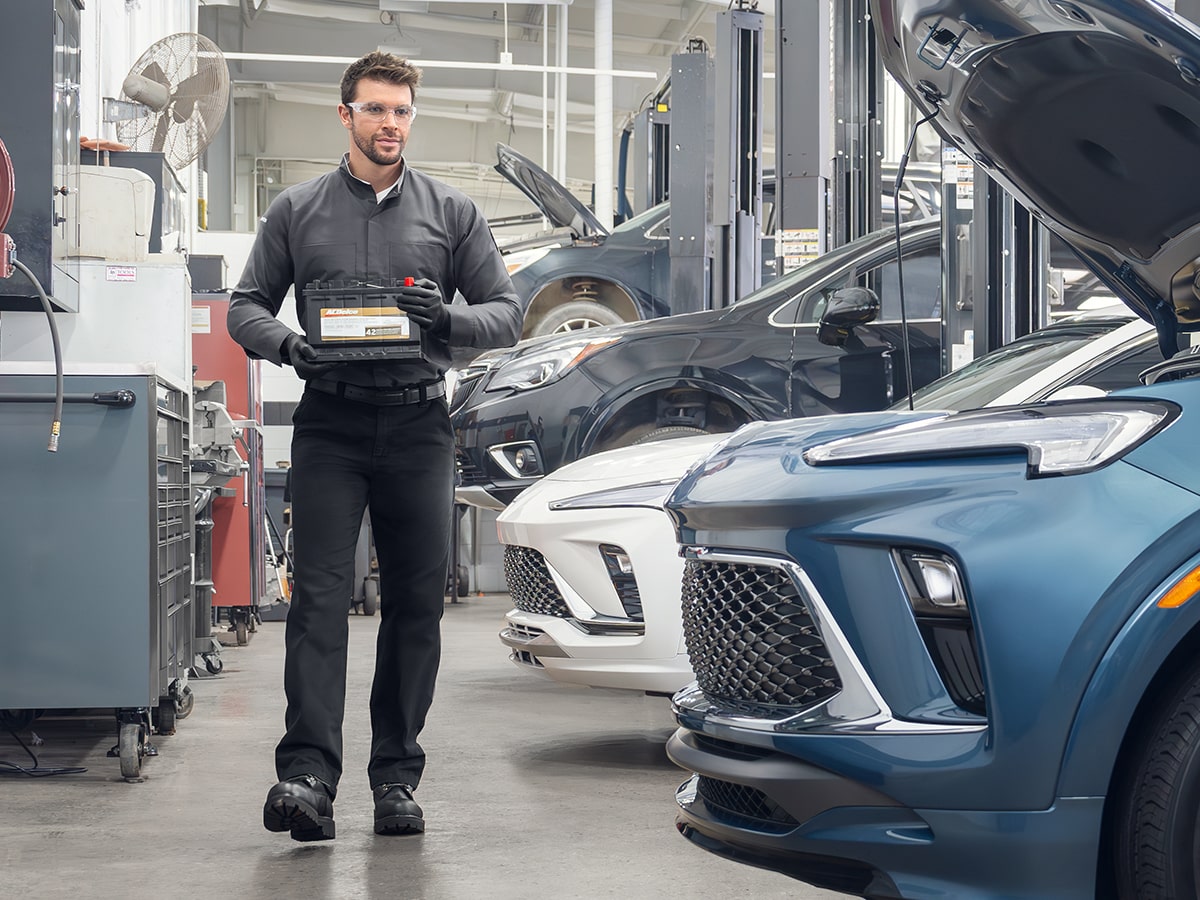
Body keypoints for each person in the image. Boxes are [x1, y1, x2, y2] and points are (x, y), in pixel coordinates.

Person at [226, 51, 522, 842]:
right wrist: (290, 349)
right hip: (331, 422)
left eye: (402, 111)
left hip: (420, 426)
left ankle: (396, 779)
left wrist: (445, 321)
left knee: (416, 604)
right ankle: (307, 777)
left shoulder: (451, 211)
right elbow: (245, 307)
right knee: (318, 601)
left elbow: (507, 312)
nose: (391, 123)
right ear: (345, 115)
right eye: (376, 109)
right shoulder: (298, 209)